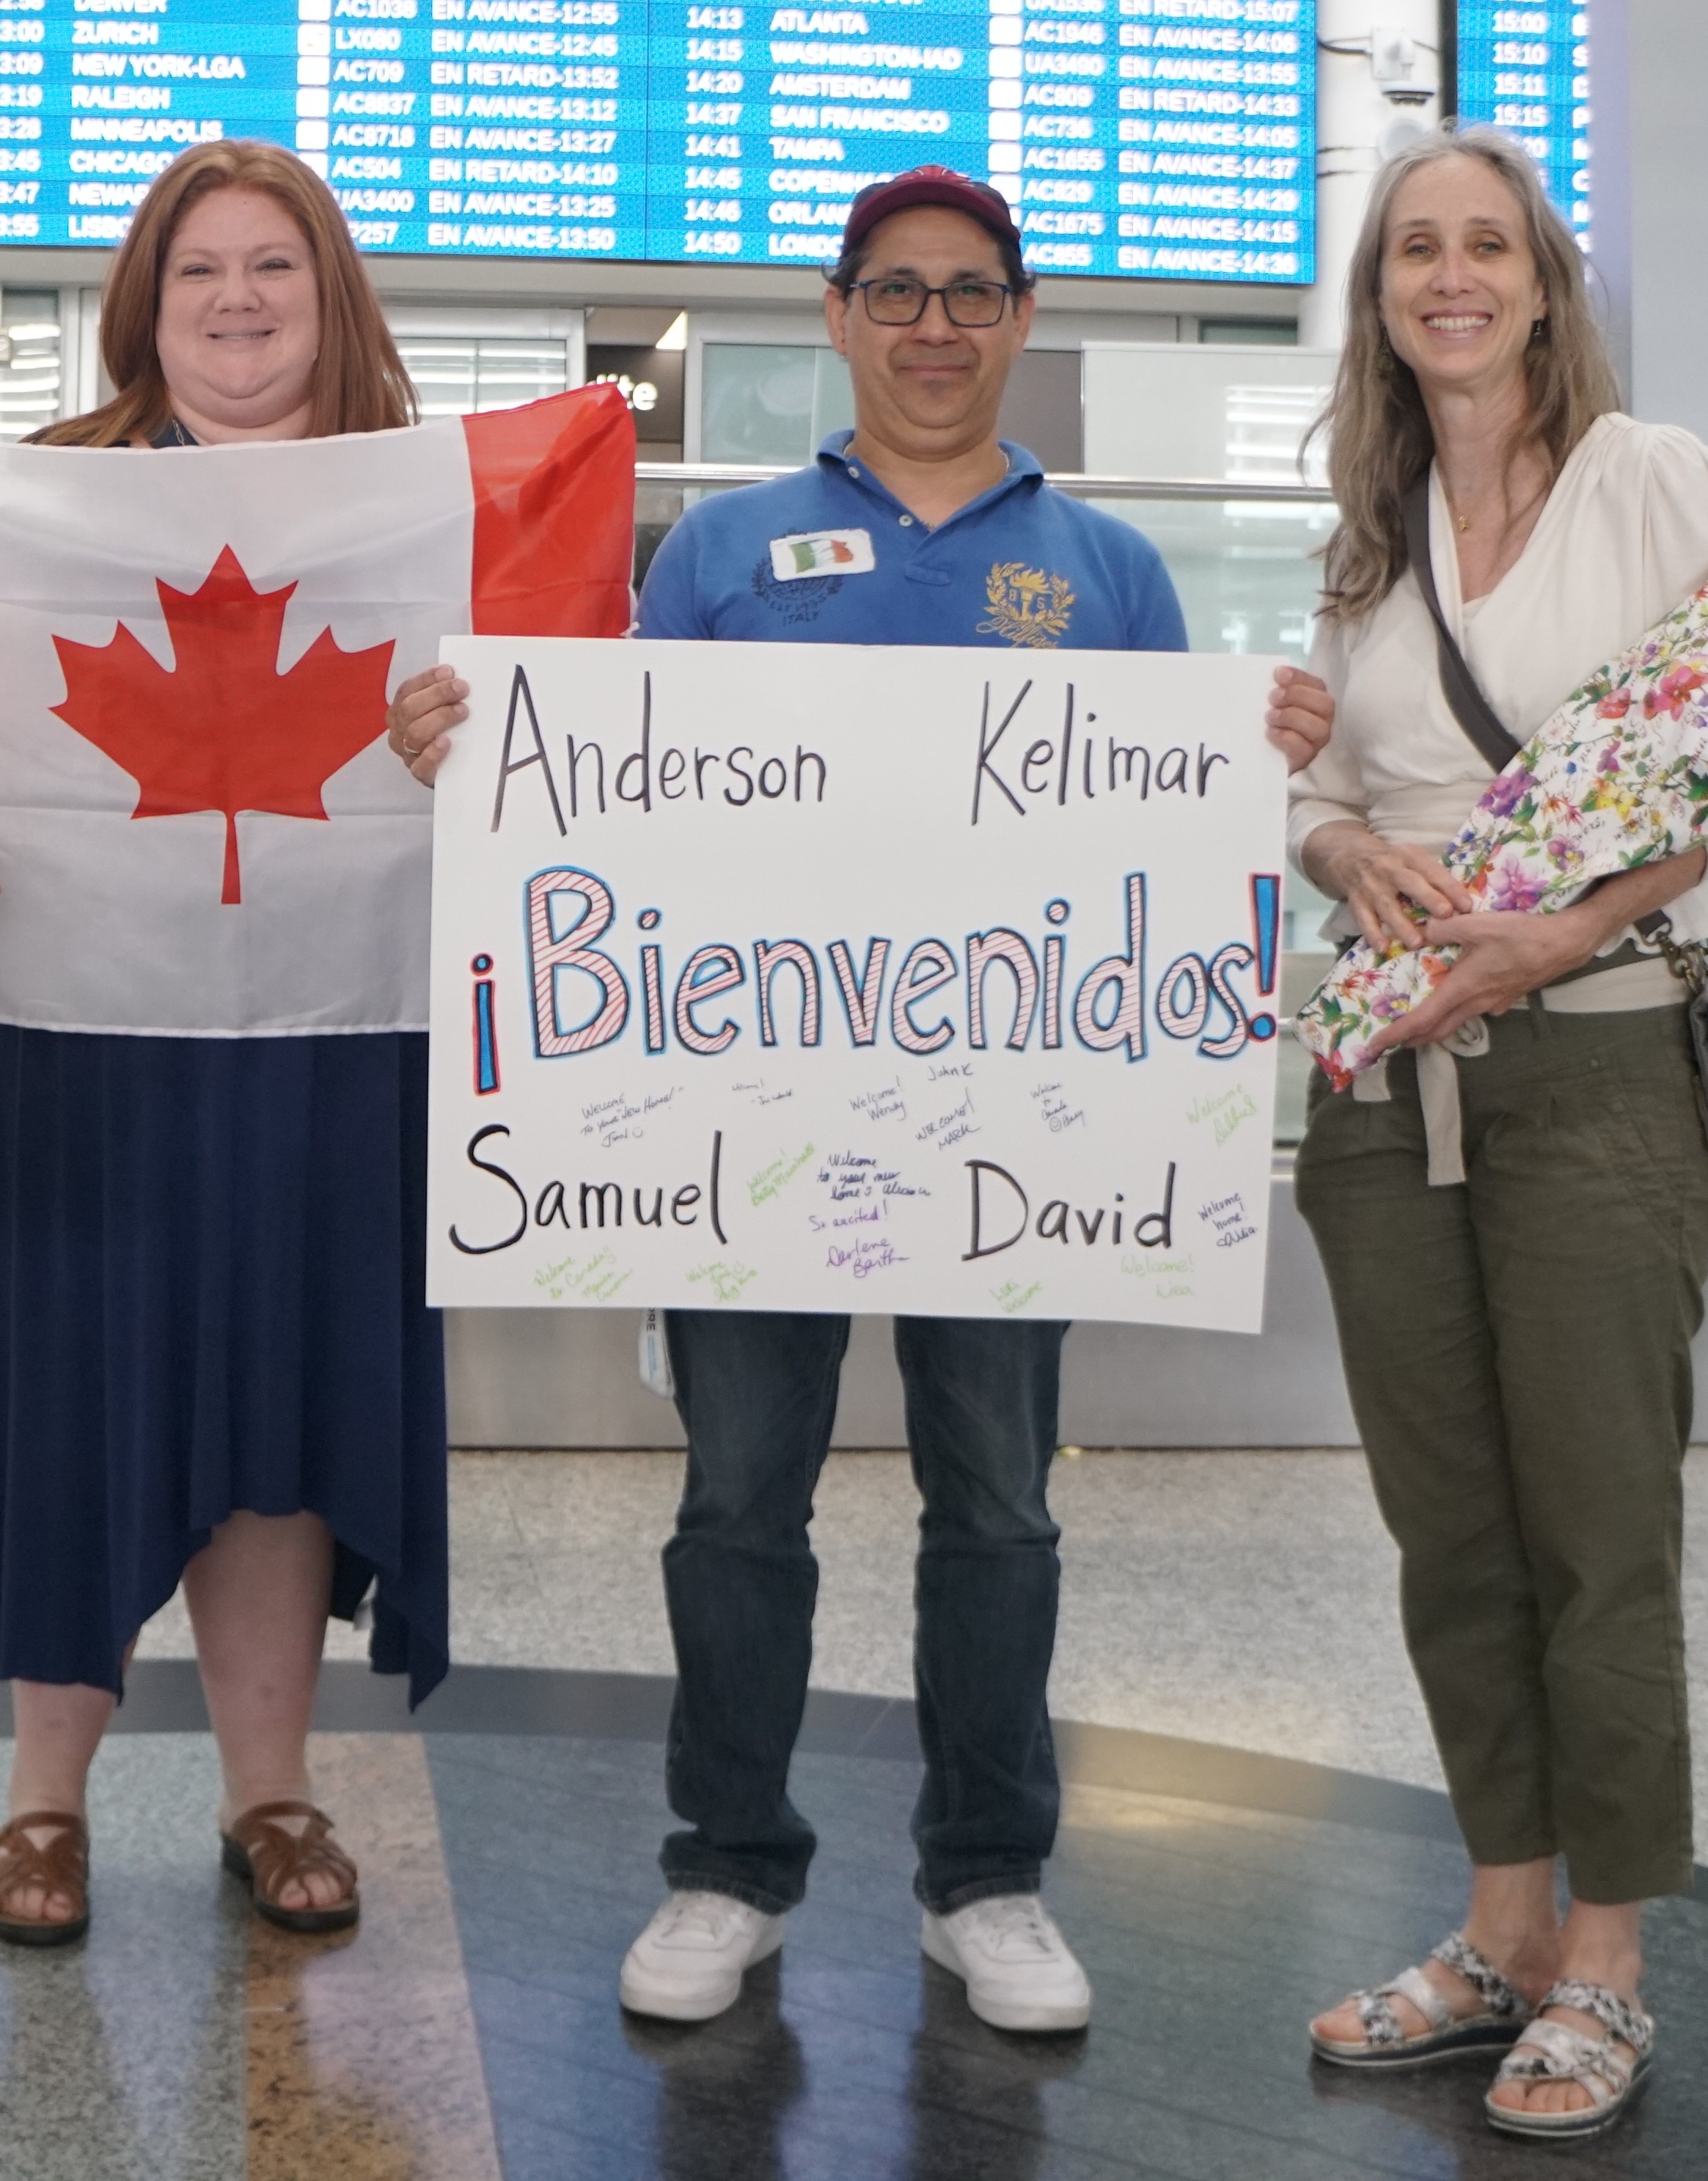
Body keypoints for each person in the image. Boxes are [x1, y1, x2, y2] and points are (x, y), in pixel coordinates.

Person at [392, 166, 1335, 2033]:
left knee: (996, 1504)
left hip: (1017, 1129)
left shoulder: (1107, 571)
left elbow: (1173, 846)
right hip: (754, 1126)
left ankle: (985, 1876)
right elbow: (601, 796)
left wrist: (1261, 758)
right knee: (738, 1498)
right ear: (835, 316)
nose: (929, 326)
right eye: (893, 292)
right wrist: (475, 754)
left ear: (1017, 318)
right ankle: (724, 1862)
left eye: (967, 294)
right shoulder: (722, 549)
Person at [1287, 129, 1708, 2141]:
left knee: (1597, 1536)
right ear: (1382, 298)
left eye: (1488, 245)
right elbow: (1313, 778)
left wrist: (1558, 929)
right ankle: (1500, 1936)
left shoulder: (1653, 481)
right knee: (1453, 1538)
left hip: (1596, 1072)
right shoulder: (1369, 532)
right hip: (1391, 1091)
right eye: (1416, 251)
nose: (1452, 278)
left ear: (1544, 282)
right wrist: (1323, 836)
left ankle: (1611, 1965)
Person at [0, 137, 443, 1951]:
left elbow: (568, 736)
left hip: (337, 1025)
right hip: (94, 1025)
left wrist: (471, 733)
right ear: (140, 306)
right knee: (82, 1389)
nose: (235, 302)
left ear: (331, 295)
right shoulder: (33, 502)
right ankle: (41, 1800)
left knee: (286, 1409)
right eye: (196, 272)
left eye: (272, 266)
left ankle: (269, 1786)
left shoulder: (421, 502)